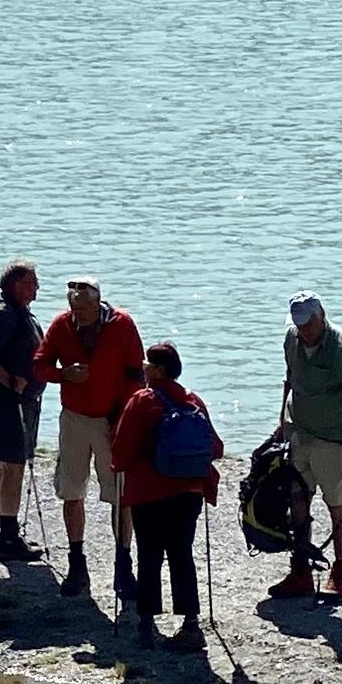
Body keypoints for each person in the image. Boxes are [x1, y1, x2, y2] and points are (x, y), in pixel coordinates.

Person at [107, 339, 222, 649]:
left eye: (147, 363)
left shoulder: (142, 400)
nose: (143, 367)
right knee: (182, 554)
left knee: (149, 556)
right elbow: (216, 447)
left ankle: (146, 626)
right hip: (189, 491)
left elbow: (121, 453)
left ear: (158, 370)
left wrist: (119, 464)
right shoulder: (193, 400)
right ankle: (191, 624)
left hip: (149, 492)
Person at [272, 292, 342, 602]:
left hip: (334, 440)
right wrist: (281, 422)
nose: (304, 331)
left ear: (322, 316)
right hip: (300, 434)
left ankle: (340, 572)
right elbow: (290, 380)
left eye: (308, 325)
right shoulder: (291, 339)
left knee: (336, 506)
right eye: (299, 325)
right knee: (297, 500)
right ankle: (301, 571)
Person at [38, 275, 145, 597]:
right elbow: (39, 365)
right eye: (74, 308)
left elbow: (136, 373)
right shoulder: (62, 324)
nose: (79, 315)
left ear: (98, 302)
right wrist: (62, 374)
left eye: (84, 309)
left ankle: (123, 565)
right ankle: (77, 564)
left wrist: (125, 416)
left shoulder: (122, 324)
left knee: (120, 495)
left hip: (111, 419)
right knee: (72, 490)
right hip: (74, 418)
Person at [0, 262, 50, 567]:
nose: (36, 288)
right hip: (5, 402)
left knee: (6, 467)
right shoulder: (3, 313)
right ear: (15, 285)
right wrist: (7, 380)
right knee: (13, 466)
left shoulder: (19, 312)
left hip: (12, 401)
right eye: (31, 283)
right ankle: (8, 539)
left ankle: (0, 531)